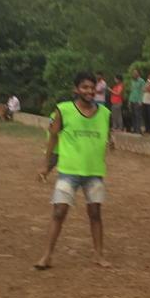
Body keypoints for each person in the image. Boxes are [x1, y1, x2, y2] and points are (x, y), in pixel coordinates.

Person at [34, 72, 113, 270]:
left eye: (92, 87)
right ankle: (47, 255)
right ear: (76, 90)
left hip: (94, 171)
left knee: (95, 213)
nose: (89, 91)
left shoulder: (105, 113)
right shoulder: (63, 110)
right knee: (59, 211)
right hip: (69, 170)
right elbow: (53, 139)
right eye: (84, 87)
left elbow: (107, 135)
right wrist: (46, 165)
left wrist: (110, 142)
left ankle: (98, 255)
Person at [129, 68, 145, 134]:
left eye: (135, 72)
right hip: (132, 99)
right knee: (133, 115)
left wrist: (141, 101)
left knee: (138, 115)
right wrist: (129, 101)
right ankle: (134, 129)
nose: (134, 74)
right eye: (133, 73)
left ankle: (138, 130)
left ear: (138, 73)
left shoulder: (141, 81)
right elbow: (131, 91)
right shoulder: (132, 81)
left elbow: (143, 91)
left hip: (138, 101)